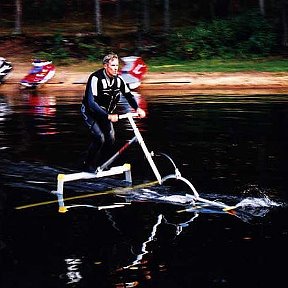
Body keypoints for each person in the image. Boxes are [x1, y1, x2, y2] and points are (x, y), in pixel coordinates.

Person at [81, 52, 146, 173]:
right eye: (113, 65)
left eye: (117, 65)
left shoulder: (119, 80)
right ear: (105, 66)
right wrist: (108, 116)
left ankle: (101, 164)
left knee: (110, 139)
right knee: (99, 138)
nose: (116, 68)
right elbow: (91, 102)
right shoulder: (95, 78)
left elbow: (128, 95)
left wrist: (137, 108)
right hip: (91, 113)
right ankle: (87, 164)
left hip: (106, 114)